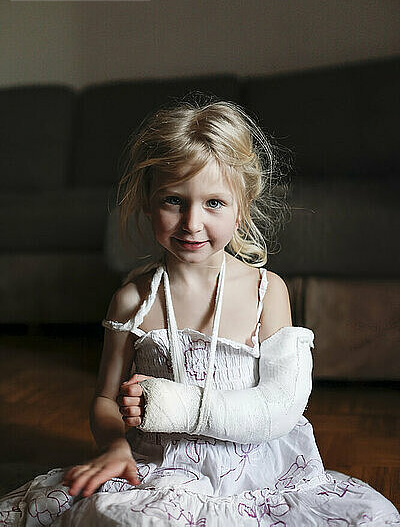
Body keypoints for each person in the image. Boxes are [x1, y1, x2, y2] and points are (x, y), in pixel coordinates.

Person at [0, 95, 398, 526]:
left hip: (263, 477)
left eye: (214, 203)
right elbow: (104, 398)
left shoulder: (268, 292)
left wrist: (189, 406)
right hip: (162, 473)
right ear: (147, 201)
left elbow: (282, 403)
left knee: (372, 516)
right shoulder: (134, 300)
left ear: (241, 207)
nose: (192, 222)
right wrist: (115, 445)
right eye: (174, 200)